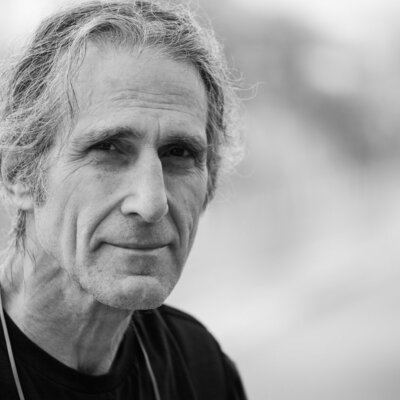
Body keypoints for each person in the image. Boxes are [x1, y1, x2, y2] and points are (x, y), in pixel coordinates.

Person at [0, 1, 246, 399]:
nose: (151, 203)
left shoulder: (200, 367)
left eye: (179, 153)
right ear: (18, 174)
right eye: (109, 148)